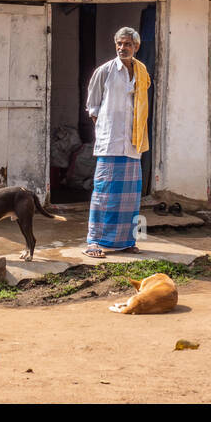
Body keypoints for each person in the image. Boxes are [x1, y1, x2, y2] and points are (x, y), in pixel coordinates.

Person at [83, 26, 150, 258]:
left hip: (133, 142)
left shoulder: (141, 71)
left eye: (127, 44)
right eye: (119, 44)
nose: (122, 48)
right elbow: (93, 108)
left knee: (130, 195)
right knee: (104, 193)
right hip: (110, 142)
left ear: (136, 47)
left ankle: (125, 241)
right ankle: (94, 242)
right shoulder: (105, 71)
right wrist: (104, 130)